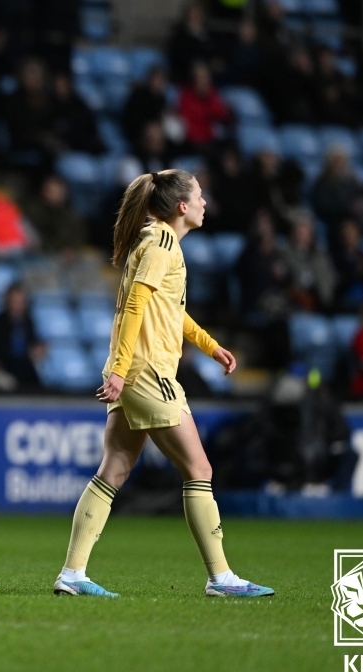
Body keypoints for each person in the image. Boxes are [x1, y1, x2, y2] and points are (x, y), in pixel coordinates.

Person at [53, 169, 274, 599]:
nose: (206, 202)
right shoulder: (164, 242)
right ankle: (221, 578)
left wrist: (210, 346)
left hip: (134, 372)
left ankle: (72, 573)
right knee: (200, 469)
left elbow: (169, 309)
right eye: (200, 195)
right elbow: (135, 301)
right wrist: (119, 370)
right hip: (147, 372)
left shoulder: (152, 240)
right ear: (182, 207)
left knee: (113, 470)